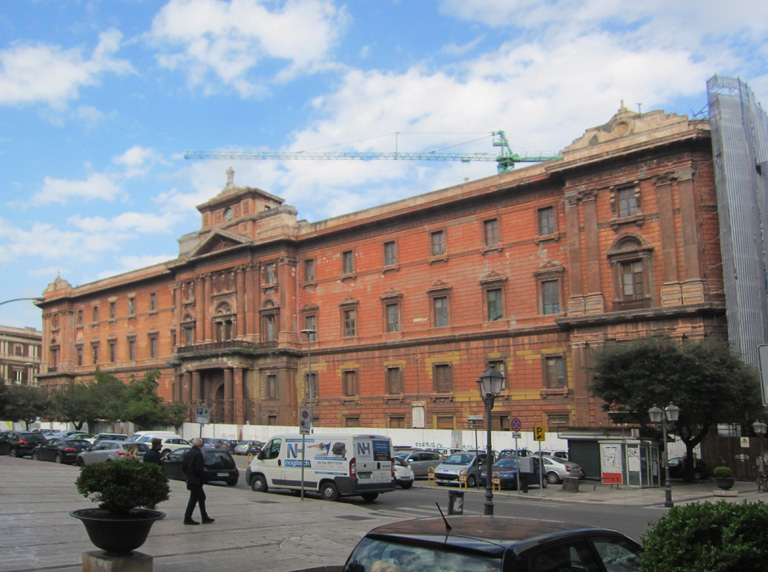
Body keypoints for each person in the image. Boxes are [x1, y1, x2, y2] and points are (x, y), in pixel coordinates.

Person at [181, 438, 214, 525]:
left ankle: (204, 516)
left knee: (201, 497)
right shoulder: (198, 454)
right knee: (193, 499)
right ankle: (187, 517)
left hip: (190, 479)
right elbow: (199, 469)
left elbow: (183, 467)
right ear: (201, 445)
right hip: (196, 481)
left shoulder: (187, 454)